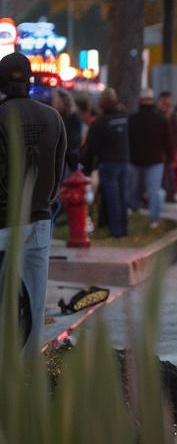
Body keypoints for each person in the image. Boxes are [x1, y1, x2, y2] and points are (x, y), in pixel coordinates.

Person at [0, 53, 68, 349]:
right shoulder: (52, 117)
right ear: (30, 80)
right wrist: (46, 200)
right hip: (39, 219)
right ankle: (28, 377)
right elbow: (59, 167)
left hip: (2, 221)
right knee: (35, 301)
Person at [81, 88, 131, 238]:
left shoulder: (100, 122)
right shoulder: (125, 118)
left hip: (108, 163)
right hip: (124, 161)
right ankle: (123, 229)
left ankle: (115, 230)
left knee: (112, 197)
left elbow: (91, 147)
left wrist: (87, 167)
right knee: (122, 196)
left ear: (103, 103)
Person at [128, 89, 173, 227]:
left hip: (136, 160)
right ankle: (154, 220)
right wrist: (170, 158)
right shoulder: (160, 119)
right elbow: (168, 141)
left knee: (134, 189)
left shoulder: (132, 119)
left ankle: (135, 213)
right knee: (154, 191)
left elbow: (128, 140)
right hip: (155, 161)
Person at [51, 88, 85, 172]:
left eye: (56, 100)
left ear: (63, 101)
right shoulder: (55, 116)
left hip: (69, 157)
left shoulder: (73, 117)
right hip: (59, 156)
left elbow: (74, 138)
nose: (53, 102)